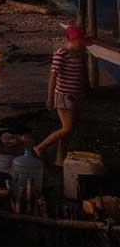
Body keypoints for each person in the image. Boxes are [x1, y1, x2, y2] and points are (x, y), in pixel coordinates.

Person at [34, 25, 91, 165]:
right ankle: (40, 147)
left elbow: (82, 73)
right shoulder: (61, 54)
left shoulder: (80, 52)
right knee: (67, 128)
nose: (82, 44)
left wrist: (85, 90)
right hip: (63, 95)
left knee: (69, 130)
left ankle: (59, 159)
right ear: (71, 40)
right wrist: (50, 98)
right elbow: (53, 77)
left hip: (76, 95)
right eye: (80, 41)